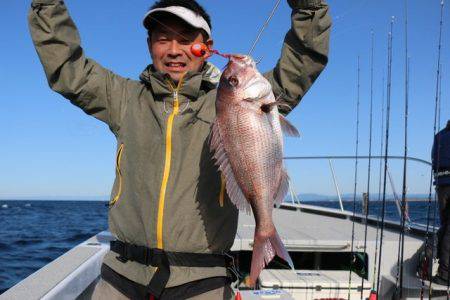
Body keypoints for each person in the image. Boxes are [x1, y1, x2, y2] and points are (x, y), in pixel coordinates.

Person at [28, 0, 331, 298]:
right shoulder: (123, 99)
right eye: (163, 40)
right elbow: (68, 68)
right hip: (122, 275)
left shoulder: (234, 100)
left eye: (186, 40)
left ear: (207, 46)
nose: (174, 50)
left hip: (204, 280)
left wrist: (309, 8)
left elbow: (300, 65)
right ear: (150, 45)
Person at [432, 120, 450, 285]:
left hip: (442, 186)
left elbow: (434, 160)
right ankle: (444, 275)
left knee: (446, 226)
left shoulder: (439, 136)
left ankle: (433, 244)